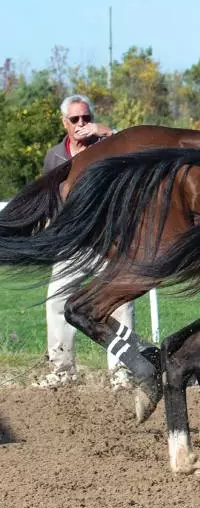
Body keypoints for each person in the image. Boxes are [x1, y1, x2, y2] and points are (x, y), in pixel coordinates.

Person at [36, 95, 136, 390]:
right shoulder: (54, 157)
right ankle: (63, 370)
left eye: (86, 118)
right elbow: (50, 198)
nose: (82, 125)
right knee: (56, 300)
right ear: (64, 123)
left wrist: (108, 133)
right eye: (76, 120)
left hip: (109, 241)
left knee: (120, 304)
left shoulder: (108, 147)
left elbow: (135, 157)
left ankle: (122, 371)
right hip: (72, 244)